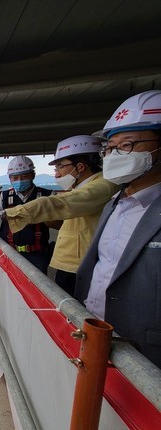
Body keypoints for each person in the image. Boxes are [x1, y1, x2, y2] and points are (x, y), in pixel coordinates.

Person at [74, 90, 161, 368]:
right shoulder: (115, 204)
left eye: (127, 145)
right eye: (109, 148)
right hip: (96, 338)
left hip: (143, 356)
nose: (113, 155)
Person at [0, 136, 119, 296]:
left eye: (60, 167)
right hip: (18, 251)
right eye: (15, 178)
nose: (57, 173)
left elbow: (57, 207)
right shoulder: (6, 196)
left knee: (35, 293)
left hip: (44, 255)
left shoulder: (96, 188)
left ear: (80, 167)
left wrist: (7, 214)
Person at [0, 156, 54, 273]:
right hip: (8, 251)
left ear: (33, 175)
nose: (19, 180)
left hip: (36, 254)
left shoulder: (47, 195)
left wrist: (41, 213)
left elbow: (57, 223)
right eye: (15, 178)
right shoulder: (4, 196)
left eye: (24, 176)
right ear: (10, 178)